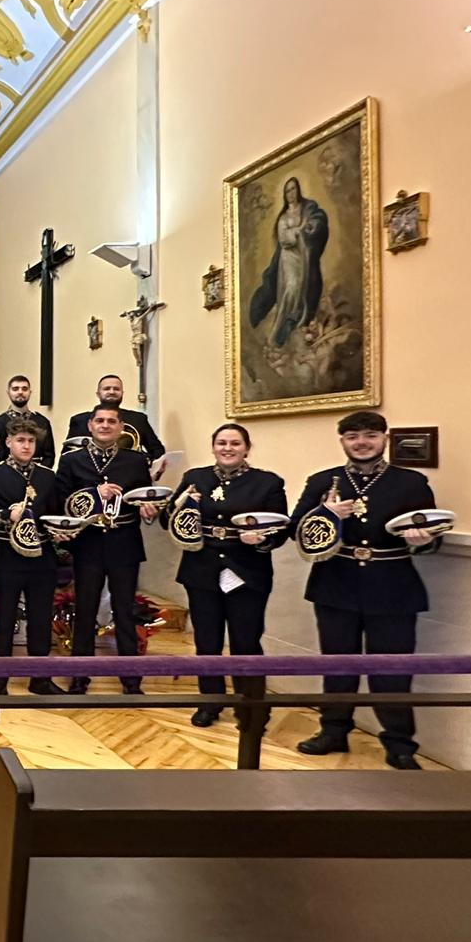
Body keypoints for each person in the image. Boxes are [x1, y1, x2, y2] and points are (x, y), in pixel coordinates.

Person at [291, 411, 440, 769]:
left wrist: (422, 541)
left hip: (393, 588)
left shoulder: (411, 482)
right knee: (338, 665)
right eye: (353, 436)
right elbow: (296, 529)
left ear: (385, 439)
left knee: (392, 670)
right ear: (342, 441)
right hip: (335, 586)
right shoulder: (323, 481)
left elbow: (434, 537)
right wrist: (326, 514)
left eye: (370, 435)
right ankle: (333, 731)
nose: (362, 442)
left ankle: (400, 744)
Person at [167, 424, 289, 727]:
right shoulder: (195, 478)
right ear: (212, 447)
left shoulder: (267, 483)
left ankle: (251, 707)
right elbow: (168, 518)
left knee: (246, 642)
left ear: (247, 448)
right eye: (221, 442)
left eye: (235, 443)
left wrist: (263, 540)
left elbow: (281, 529)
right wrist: (182, 511)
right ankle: (211, 702)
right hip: (202, 572)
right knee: (207, 642)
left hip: (246, 573)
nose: (228, 448)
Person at [55, 405, 158, 695]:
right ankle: (79, 674)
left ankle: (130, 676)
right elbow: (60, 500)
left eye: (111, 421)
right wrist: (93, 495)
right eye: (99, 421)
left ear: (120, 427)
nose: (105, 425)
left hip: (124, 542)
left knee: (124, 611)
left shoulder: (135, 461)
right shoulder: (72, 461)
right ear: (90, 425)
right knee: (85, 610)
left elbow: (144, 500)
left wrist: (150, 511)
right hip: (88, 544)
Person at [0, 419, 64, 696]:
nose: (26, 446)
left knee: (41, 619)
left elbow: (54, 512)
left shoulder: (47, 476)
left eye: (30, 441)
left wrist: (60, 532)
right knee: (4, 618)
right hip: (7, 555)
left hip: (42, 556)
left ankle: (40, 677)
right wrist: (4, 516)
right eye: (20, 441)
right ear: (8, 443)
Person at [250, 176, 328, 347]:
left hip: (303, 257)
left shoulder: (307, 209)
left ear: (298, 190)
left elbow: (316, 223)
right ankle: (283, 324)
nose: (291, 193)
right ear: (284, 195)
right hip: (289, 258)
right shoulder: (283, 217)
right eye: (287, 191)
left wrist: (308, 230)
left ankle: (297, 321)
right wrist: (298, 231)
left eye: (293, 189)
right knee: (292, 287)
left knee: (303, 288)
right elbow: (284, 239)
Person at [64, 374, 166, 468]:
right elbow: (68, 453)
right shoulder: (79, 420)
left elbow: (157, 451)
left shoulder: (138, 419)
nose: (112, 392)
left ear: (122, 393)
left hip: (130, 475)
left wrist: (145, 463)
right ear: (98, 393)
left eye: (116, 389)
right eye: (107, 388)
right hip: (88, 476)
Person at [0, 374, 54, 464]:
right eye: (15, 389)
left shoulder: (42, 422)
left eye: (24, 389)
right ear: (8, 392)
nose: (20, 392)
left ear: (30, 392)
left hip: (37, 474)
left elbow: (49, 456)